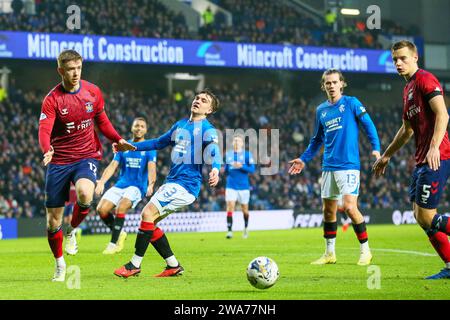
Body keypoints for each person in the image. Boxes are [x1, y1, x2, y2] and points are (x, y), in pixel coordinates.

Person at [38, 49, 135, 282]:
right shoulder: (52, 100)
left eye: (79, 68)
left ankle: (72, 231)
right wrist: (47, 149)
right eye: (70, 69)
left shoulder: (93, 92)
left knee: (84, 193)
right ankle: (60, 264)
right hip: (59, 160)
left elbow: (102, 121)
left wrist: (118, 139)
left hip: (86, 156)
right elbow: (44, 129)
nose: (75, 73)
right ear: (60, 70)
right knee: (53, 221)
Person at [113, 89, 221, 278]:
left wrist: (215, 168)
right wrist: (132, 146)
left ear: (209, 110)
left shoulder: (207, 129)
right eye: (197, 98)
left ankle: (133, 265)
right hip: (172, 182)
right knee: (150, 222)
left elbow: (214, 151)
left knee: (147, 213)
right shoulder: (180, 125)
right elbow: (157, 143)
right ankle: (173, 265)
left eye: (204, 101)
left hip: (185, 185)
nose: (198, 101)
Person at [373, 40, 450, 279]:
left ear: (415, 57)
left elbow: (443, 114)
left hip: (438, 156)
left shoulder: (425, 79)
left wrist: (434, 147)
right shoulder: (407, 90)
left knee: (427, 215)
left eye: (403, 58)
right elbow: (406, 130)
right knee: (420, 217)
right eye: (395, 59)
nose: (398, 63)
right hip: (421, 160)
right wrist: (386, 155)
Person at [288, 68, 380, 266]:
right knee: (328, 212)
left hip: (348, 165)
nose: (331, 86)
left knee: (348, 207)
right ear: (323, 86)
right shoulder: (321, 110)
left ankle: (366, 251)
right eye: (327, 83)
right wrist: (304, 159)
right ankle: (330, 253)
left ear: (341, 84)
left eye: (334, 82)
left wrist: (376, 149)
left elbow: (368, 125)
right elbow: (316, 139)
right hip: (328, 166)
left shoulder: (351, 103)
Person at [95, 117, 157, 254]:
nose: (139, 128)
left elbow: (152, 168)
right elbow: (112, 166)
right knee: (101, 209)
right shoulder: (123, 146)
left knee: (121, 206)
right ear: (132, 128)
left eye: (142, 126)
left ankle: (113, 244)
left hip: (137, 187)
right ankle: (121, 233)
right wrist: (102, 182)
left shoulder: (149, 148)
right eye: (136, 126)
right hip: (121, 184)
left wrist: (151, 184)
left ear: (146, 130)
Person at [224, 134, 255, 239]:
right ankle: (229, 231)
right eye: (235, 141)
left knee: (245, 210)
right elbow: (227, 170)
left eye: (238, 141)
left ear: (242, 143)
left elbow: (252, 169)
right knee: (230, 206)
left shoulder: (247, 155)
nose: (236, 143)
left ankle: (246, 228)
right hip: (231, 185)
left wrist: (242, 166)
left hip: (243, 186)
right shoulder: (228, 155)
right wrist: (227, 168)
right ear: (233, 143)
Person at [62, 183, 82, 247]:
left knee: (71, 218)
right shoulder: (66, 183)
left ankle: (73, 232)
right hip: (66, 203)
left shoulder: (75, 182)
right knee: (65, 220)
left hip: (73, 203)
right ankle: (76, 230)